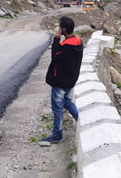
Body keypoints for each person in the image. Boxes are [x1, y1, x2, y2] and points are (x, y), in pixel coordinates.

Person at [39, 16, 83, 146]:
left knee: (57, 108)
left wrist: (56, 39)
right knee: (67, 102)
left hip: (61, 82)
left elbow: (55, 56)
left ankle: (57, 135)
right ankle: (82, 121)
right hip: (70, 80)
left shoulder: (67, 46)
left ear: (63, 29)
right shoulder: (78, 41)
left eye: (59, 27)